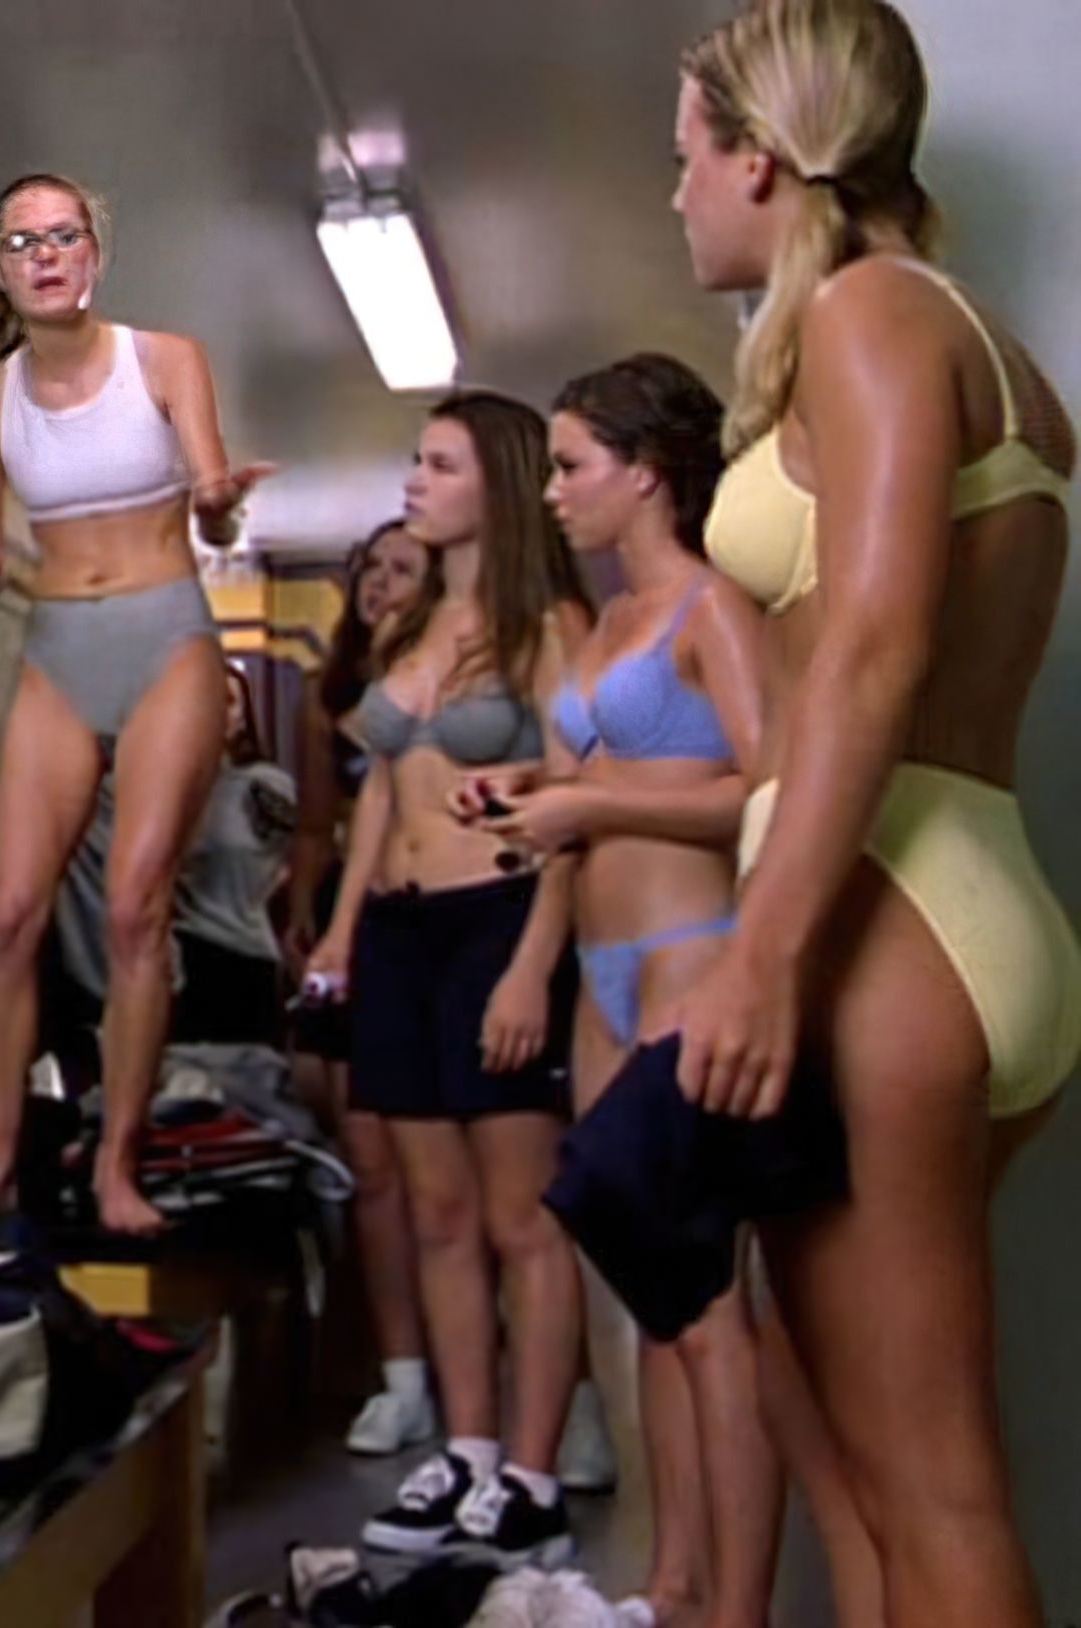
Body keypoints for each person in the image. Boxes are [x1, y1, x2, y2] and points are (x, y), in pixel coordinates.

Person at [669, 4, 1080, 1623]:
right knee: (862, 1469)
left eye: (686, 157)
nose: (676, 194)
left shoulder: (874, 313)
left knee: (934, 1490)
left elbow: (878, 643)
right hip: (961, 896)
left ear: (760, 160)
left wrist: (764, 955)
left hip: (884, 927)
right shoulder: (984, 348)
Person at [462, 354, 777, 1627]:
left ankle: (737, 1610)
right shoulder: (600, 625)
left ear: (645, 473)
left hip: (689, 951)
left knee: (709, 1315)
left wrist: (590, 798)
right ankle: (673, 1582)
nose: (552, 492)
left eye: (571, 466)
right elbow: (579, 798)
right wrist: (529, 797)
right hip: (597, 973)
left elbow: (766, 788)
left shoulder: (713, 607)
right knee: (649, 1301)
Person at [0, 171, 271, 1233]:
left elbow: (213, 521)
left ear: (95, 256)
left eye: (64, 236)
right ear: (0, 270)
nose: (46, 255)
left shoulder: (165, 360)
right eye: (23, 242)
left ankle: (119, 1162)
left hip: (167, 641)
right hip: (59, 649)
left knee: (132, 909)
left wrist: (220, 505)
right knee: (9, 912)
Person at [308, 391, 592, 1565]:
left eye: (439, 464)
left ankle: (532, 1472)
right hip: (397, 929)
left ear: (498, 487)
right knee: (433, 1210)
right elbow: (383, 787)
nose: (413, 481)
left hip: (498, 917)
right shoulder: (408, 625)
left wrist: (532, 964)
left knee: (520, 1212)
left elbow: (576, 804)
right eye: (415, 461)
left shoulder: (551, 624)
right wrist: (339, 931)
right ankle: (468, 1450)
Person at [289, 523, 438, 1455]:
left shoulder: (457, 677)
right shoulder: (327, 693)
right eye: (370, 568)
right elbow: (315, 825)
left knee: (461, 1166)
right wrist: (307, 918)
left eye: (402, 568)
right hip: (357, 920)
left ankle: (525, 1374)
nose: (381, 582)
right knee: (370, 1160)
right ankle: (401, 1372)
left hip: (442, 911)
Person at [53, 662, 296, 1054]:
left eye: (227, 701)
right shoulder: (143, 789)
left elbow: (230, 844)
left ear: (244, 718)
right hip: (174, 956)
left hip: (241, 954)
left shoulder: (263, 786)